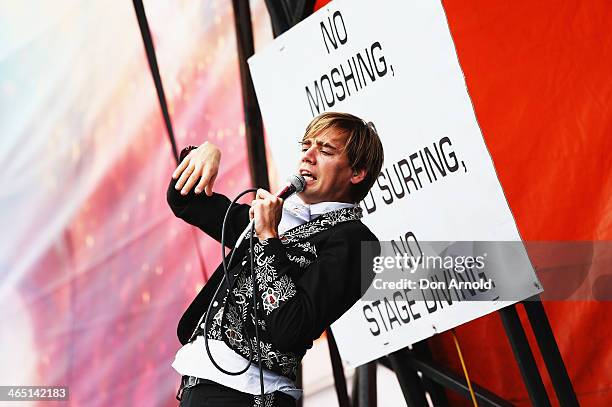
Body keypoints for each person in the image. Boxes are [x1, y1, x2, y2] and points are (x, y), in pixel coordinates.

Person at [167, 112, 384, 407]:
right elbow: (185, 201)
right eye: (306, 146)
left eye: (325, 150)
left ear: (356, 172)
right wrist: (202, 154)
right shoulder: (283, 219)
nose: (308, 156)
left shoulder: (357, 242)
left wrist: (269, 236)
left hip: (249, 396)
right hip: (202, 385)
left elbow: (291, 327)